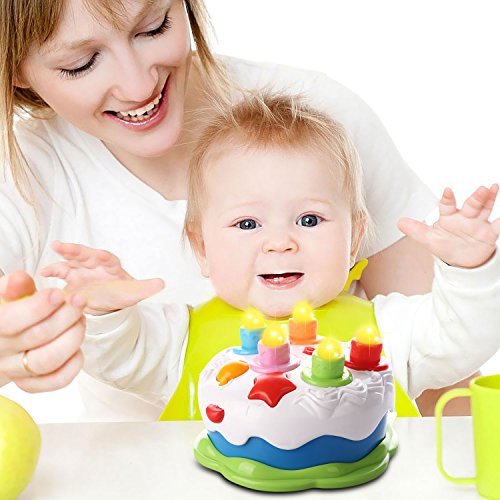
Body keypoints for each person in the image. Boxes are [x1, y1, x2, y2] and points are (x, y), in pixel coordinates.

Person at [0, 0, 468, 419]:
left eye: (154, 26)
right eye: (81, 64)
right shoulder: (22, 174)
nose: (137, 83)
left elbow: (443, 367)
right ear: (17, 69)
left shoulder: (319, 120)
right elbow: (128, 352)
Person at [41, 93, 500, 418]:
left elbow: (461, 340)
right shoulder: (179, 339)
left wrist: (469, 269)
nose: (280, 243)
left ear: (355, 237)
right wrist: (106, 310)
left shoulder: (389, 331)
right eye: (247, 224)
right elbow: (121, 357)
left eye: (308, 220)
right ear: (202, 248)